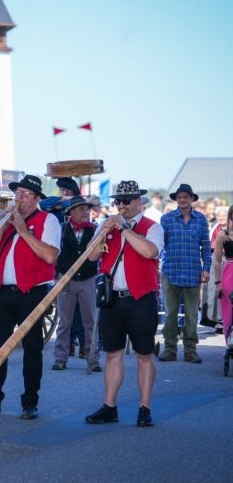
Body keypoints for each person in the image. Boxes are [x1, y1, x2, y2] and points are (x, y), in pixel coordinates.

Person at [0, 174, 60, 420]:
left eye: (25, 194)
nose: (19, 198)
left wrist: (22, 229)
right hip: (3, 292)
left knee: (32, 348)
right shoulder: (7, 220)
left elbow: (50, 255)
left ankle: (30, 402)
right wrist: (4, 225)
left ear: (36, 198)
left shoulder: (48, 220)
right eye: (17, 193)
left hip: (32, 292)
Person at [85, 180, 164, 428]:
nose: (121, 205)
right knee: (113, 354)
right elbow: (91, 256)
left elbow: (150, 251)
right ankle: (109, 407)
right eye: (118, 201)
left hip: (141, 299)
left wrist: (124, 230)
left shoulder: (153, 227)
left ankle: (145, 407)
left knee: (143, 355)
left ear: (139, 201)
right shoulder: (108, 226)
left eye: (126, 201)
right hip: (112, 298)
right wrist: (103, 231)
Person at [158, 184, 211, 364]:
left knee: (191, 314)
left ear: (191, 199)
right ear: (176, 199)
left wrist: (206, 269)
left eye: (185, 197)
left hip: (193, 271)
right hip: (171, 271)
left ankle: (191, 350)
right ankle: (169, 348)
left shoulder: (201, 220)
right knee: (170, 313)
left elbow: (205, 247)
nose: (182, 200)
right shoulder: (166, 219)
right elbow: (159, 246)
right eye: (179, 197)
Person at [51, 195, 100, 371]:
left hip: (87, 278)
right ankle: (60, 358)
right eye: (81, 209)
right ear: (71, 212)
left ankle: (92, 357)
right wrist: (56, 276)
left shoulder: (94, 229)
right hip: (66, 278)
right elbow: (55, 254)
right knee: (64, 321)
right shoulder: (62, 229)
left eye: (86, 209)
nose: (85, 212)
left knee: (90, 320)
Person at [213, 205, 233, 347]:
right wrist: (218, 283)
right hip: (229, 273)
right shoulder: (223, 234)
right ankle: (230, 342)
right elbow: (217, 261)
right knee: (229, 310)